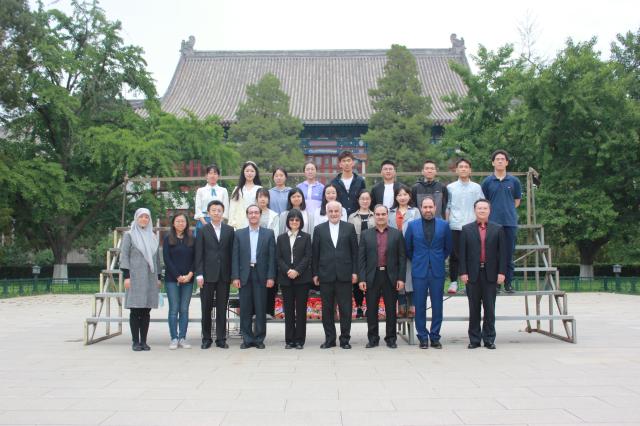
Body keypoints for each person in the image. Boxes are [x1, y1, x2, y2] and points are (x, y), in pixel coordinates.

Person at [404, 196, 452, 349]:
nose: (428, 210)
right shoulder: (412, 226)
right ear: (420, 208)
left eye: (430, 207)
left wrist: (437, 259)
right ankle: (423, 337)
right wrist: (419, 259)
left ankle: (435, 337)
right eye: (425, 207)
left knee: (438, 306)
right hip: (419, 271)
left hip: (437, 271)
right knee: (420, 305)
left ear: (435, 208)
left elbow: (448, 248)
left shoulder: (444, 225)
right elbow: (408, 248)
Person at [459, 199, 507, 350]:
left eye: (485, 208)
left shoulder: (498, 229)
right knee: (473, 309)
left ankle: (489, 339)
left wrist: (502, 272)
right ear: (475, 210)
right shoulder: (466, 229)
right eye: (479, 208)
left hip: (490, 274)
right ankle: (474, 339)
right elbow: (462, 254)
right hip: (472, 274)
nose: (482, 211)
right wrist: (463, 272)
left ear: (489, 211)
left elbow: (503, 253)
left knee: (489, 308)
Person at [358, 205, 406, 348]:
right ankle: (373, 339)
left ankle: (391, 339)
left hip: (390, 276)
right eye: (377, 214)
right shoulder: (366, 234)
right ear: (374, 216)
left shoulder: (397, 234)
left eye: (383, 214)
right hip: (372, 276)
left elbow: (402, 258)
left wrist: (401, 278)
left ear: (387, 215)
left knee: (391, 309)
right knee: (371, 309)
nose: (380, 217)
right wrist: (362, 279)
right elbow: (361, 259)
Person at [312, 201, 359, 349]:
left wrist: (355, 272)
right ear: (327, 213)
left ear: (341, 212)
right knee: (327, 310)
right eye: (330, 211)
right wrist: (315, 273)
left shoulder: (349, 228)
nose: (333, 214)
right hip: (325, 275)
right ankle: (330, 339)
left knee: (345, 309)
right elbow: (315, 254)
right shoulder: (319, 229)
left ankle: (345, 339)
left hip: (345, 275)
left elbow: (355, 252)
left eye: (336, 211)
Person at [231, 204, 276, 349]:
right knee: (245, 309)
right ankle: (247, 339)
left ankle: (259, 339)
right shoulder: (239, 234)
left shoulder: (268, 234)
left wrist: (271, 277)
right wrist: (235, 277)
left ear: (260, 215)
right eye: (250, 213)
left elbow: (272, 257)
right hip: (244, 274)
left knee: (261, 308)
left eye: (256, 212)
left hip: (261, 275)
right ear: (247, 215)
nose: (253, 215)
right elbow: (235, 257)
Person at [195, 200, 235, 349]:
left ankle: (221, 338)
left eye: (219, 210)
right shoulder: (202, 230)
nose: (216, 213)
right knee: (206, 308)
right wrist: (199, 274)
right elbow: (198, 253)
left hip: (224, 275)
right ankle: (206, 338)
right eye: (213, 210)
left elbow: (232, 253)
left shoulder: (229, 230)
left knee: (222, 308)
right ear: (208, 212)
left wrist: (233, 275)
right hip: (207, 275)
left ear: (223, 213)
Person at [120, 208, 161, 352]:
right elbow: (124, 256)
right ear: (136, 218)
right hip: (135, 277)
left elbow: (157, 259)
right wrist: (126, 276)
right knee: (135, 310)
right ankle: (135, 341)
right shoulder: (129, 235)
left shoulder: (153, 237)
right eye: (141, 217)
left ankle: (144, 341)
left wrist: (158, 277)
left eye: (146, 217)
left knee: (146, 311)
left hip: (150, 278)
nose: (144, 219)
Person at [480, 150, 522, 294]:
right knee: (493, 254)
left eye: (502, 159)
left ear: (507, 162)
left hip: (510, 222)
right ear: (493, 162)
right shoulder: (487, 182)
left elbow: (517, 201)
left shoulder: (514, 181)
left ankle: (508, 283)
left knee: (509, 254)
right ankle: (495, 284)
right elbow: (483, 202)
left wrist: (506, 210)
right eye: (497, 159)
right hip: (492, 223)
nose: (499, 161)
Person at [446, 158, 484, 295]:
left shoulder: (476, 187)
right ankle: (454, 282)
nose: (463, 169)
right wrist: (447, 224)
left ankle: (471, 281)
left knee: (472, 254)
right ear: (456, 170)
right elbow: (447, 207)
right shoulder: (450, 187)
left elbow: (481, 205)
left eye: (466, 166)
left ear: (470, 170)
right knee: (454, 255)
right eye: (461, 167)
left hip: (472, 226)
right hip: (455, 225)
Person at [276, 209, 313, 349]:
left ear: (301, 222)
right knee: (289, 310)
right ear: (288, 221)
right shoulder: (281, 238)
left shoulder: (306, 237)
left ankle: (299, 340)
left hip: (301, 278)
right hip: (286, 278)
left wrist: (297, 271)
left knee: (301, 310)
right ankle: (289, 340)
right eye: (292, 220)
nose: (294, 222)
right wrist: (287, 270)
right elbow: (278, 257)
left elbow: (308, 257)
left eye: (297, 220)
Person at [163, 213, 195, 350]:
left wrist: (190, 275)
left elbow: (196, 258)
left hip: (188, 279)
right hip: (172, 279)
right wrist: (177, 276)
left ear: (186, 223)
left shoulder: (192, 239)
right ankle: (174, 338)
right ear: (173, 223)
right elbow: (166, 259)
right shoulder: (167, 238)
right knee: (173, 309)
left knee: (184, 309)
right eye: (178, 221)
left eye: (183, 221)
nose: (181, 223)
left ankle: (182, 337)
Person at [389, 184, 421, 318]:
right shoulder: (390, 212)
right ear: (395, 197)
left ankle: (412, 305)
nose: (402, 197)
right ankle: (401, 305)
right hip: (395, 249)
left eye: (405, 194)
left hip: (410, 248)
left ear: (409, 196)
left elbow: (418, 230)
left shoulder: (415, 211)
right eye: (399, 195)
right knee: (398, 276)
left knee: (410, 277)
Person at [348, 189, 374, 318]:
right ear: (358, 200)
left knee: (370, 279)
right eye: (362, 199)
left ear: (371, 200)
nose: (365, 201)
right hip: (356, 252)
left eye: (367, 198)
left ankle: (369, 306)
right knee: (357, 280)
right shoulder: (352, 217)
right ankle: (358, 307)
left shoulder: (375, 215)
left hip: (372, 253)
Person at [256, 188, 280, 317]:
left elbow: (275, 235)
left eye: (265, 196)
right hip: (254, 253)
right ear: (256, 199)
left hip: (269, 251)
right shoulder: (252, 213)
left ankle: (269, 311)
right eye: (260, 196)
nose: (263, 199)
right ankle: (255, 311)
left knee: (270, 280)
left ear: (269, 199)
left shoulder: (274, 215)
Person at [194, 164, 229, 236]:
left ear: (218, 176)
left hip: (218, 221)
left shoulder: (223, 190)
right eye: (210, 173)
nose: (212, 176)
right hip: (203, 221)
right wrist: (204, 223)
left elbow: (226, 208)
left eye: (215, 173)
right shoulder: (200, 190)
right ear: (206, 176)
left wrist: (218, 222)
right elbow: (198, 208)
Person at [330, 150, 366, 216]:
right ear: (340, 164)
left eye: (348, 160)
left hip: (356, 217)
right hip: (339, 216)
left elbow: (364, 199)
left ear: (353, 163)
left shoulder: (360, 181)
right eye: (344, 161)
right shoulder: (334, 182)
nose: (346, 163)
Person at [229, 161, 263, 229]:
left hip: (255, 222)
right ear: (243, 172)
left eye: (252, 171)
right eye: (247, 171)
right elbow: (232, 209)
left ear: (256, 173)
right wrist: (232, 224)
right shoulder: (237, 190)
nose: (249, 173)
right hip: (239, 224)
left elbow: (262, 208)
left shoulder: (259, 189)